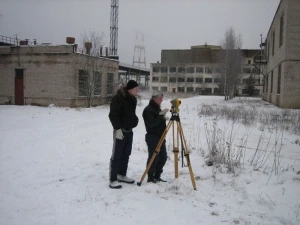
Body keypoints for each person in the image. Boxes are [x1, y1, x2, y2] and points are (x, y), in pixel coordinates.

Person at [108, 80, 139, 189]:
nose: (137, 90)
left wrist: (135, 121)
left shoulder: (133, 99)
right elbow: (113, 115)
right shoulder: (118, 98)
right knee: (117, 155)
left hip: (129, 131)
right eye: (136, 88)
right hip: (119, 131)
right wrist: (117, 129)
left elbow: (131, 114)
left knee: (126, 154)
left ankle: (121, 175)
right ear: (130, 89)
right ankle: (113, 179)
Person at [142, 91, 169, 183]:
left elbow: (158, 120)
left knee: (163, 157)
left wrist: (162, 116)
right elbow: (152, 123)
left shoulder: (156, 108)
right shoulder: (148, 109)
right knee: (154, 158)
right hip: (152, 137)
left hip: (160, 137)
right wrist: (161, 116)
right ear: (154, 99)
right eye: (160, 98)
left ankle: (157, 176)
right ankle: (151, 176)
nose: (161, 100)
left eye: (162, 98)